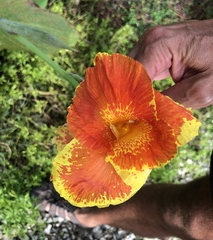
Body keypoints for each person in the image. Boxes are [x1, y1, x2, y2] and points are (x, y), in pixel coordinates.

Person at [32, 19, 213, 240]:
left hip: (120, 134)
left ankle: (88, 216)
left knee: (195, 221)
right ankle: (89, 215)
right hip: (122, 120)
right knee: (192, 214)